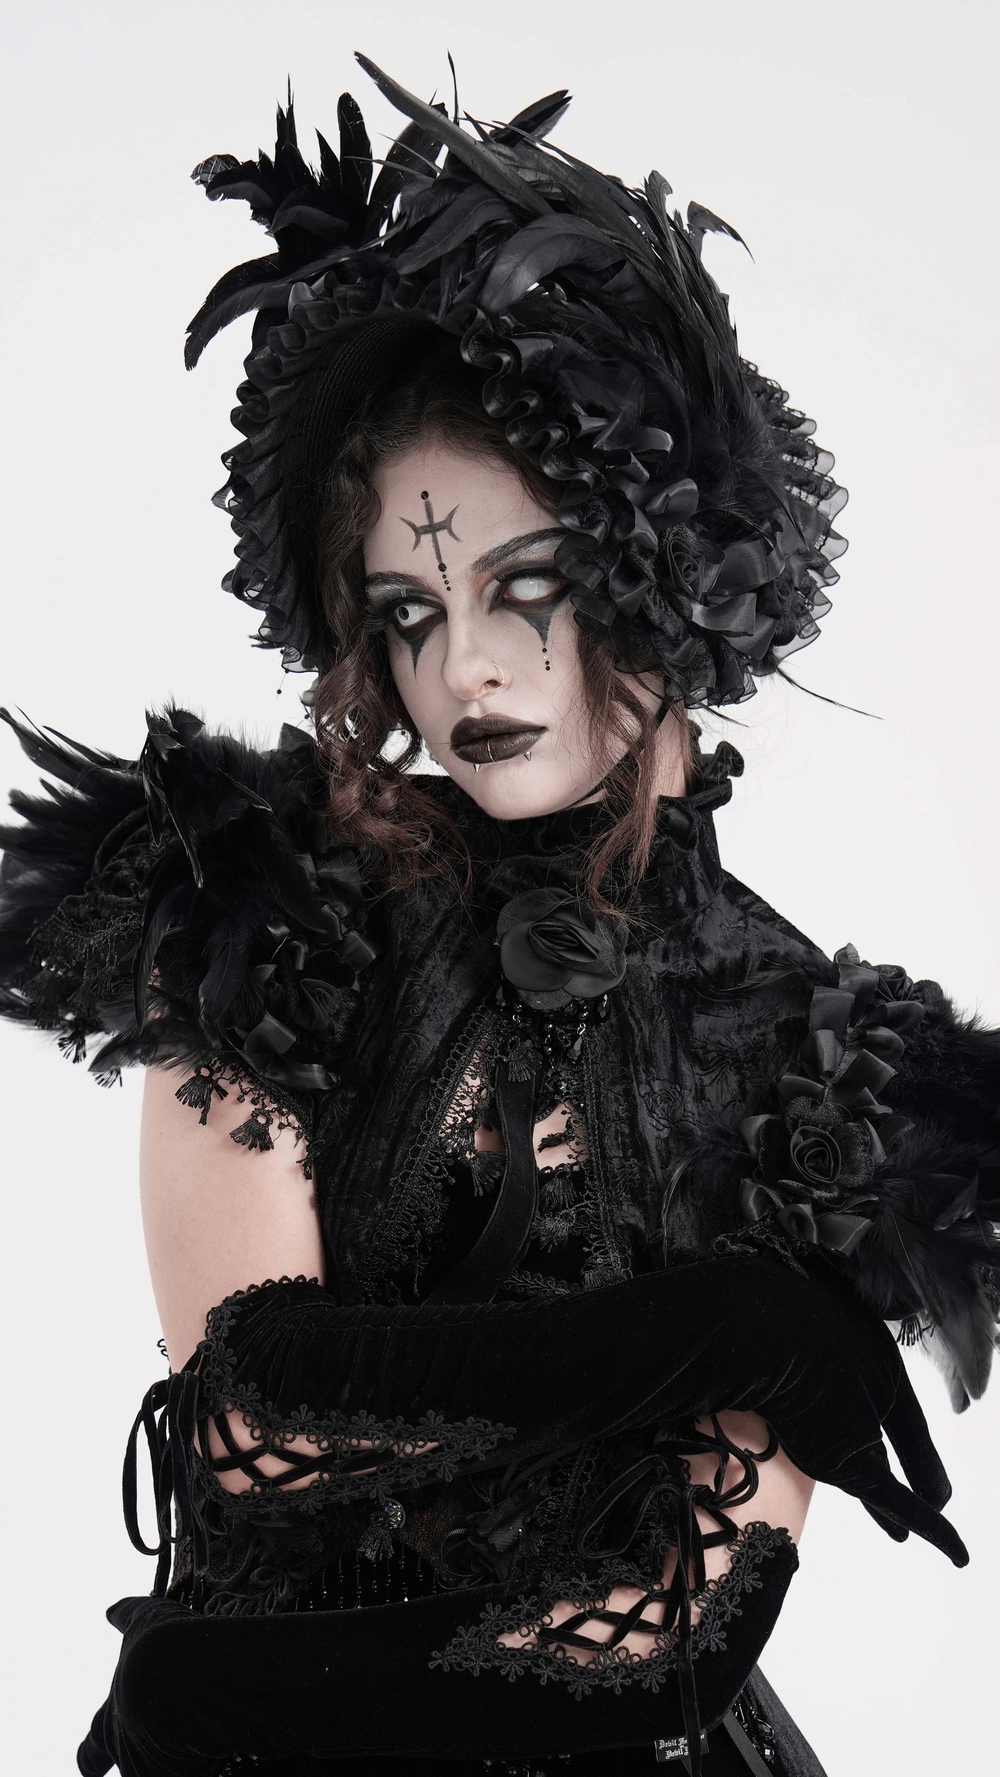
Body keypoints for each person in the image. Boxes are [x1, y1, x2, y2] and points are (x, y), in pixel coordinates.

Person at [0, 52, 996, 1777]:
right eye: (408, 606)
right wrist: (727, 1337)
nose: (461, 666)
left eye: (527, 590)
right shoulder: (257, 907)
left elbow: (669, 1634)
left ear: (666, 578)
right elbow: (252, 1425)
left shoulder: (830, 1074)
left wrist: (252, 1681)